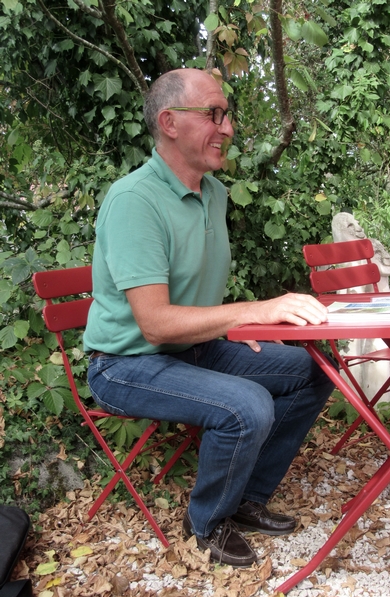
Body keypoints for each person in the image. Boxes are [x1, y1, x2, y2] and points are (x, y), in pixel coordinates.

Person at [83, 68, 334, 567]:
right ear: (170, 122)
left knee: (314, 370)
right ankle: (207, 523)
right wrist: (255, 310)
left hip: (192, 351)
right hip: (124, 363)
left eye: (228, 115)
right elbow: (153, 322)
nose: (228, 127)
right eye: (213, 114)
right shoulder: (134, 201)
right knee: (247, 406)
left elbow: (197, 300)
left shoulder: (214, 194)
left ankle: (244, 499)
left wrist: (243, 331)